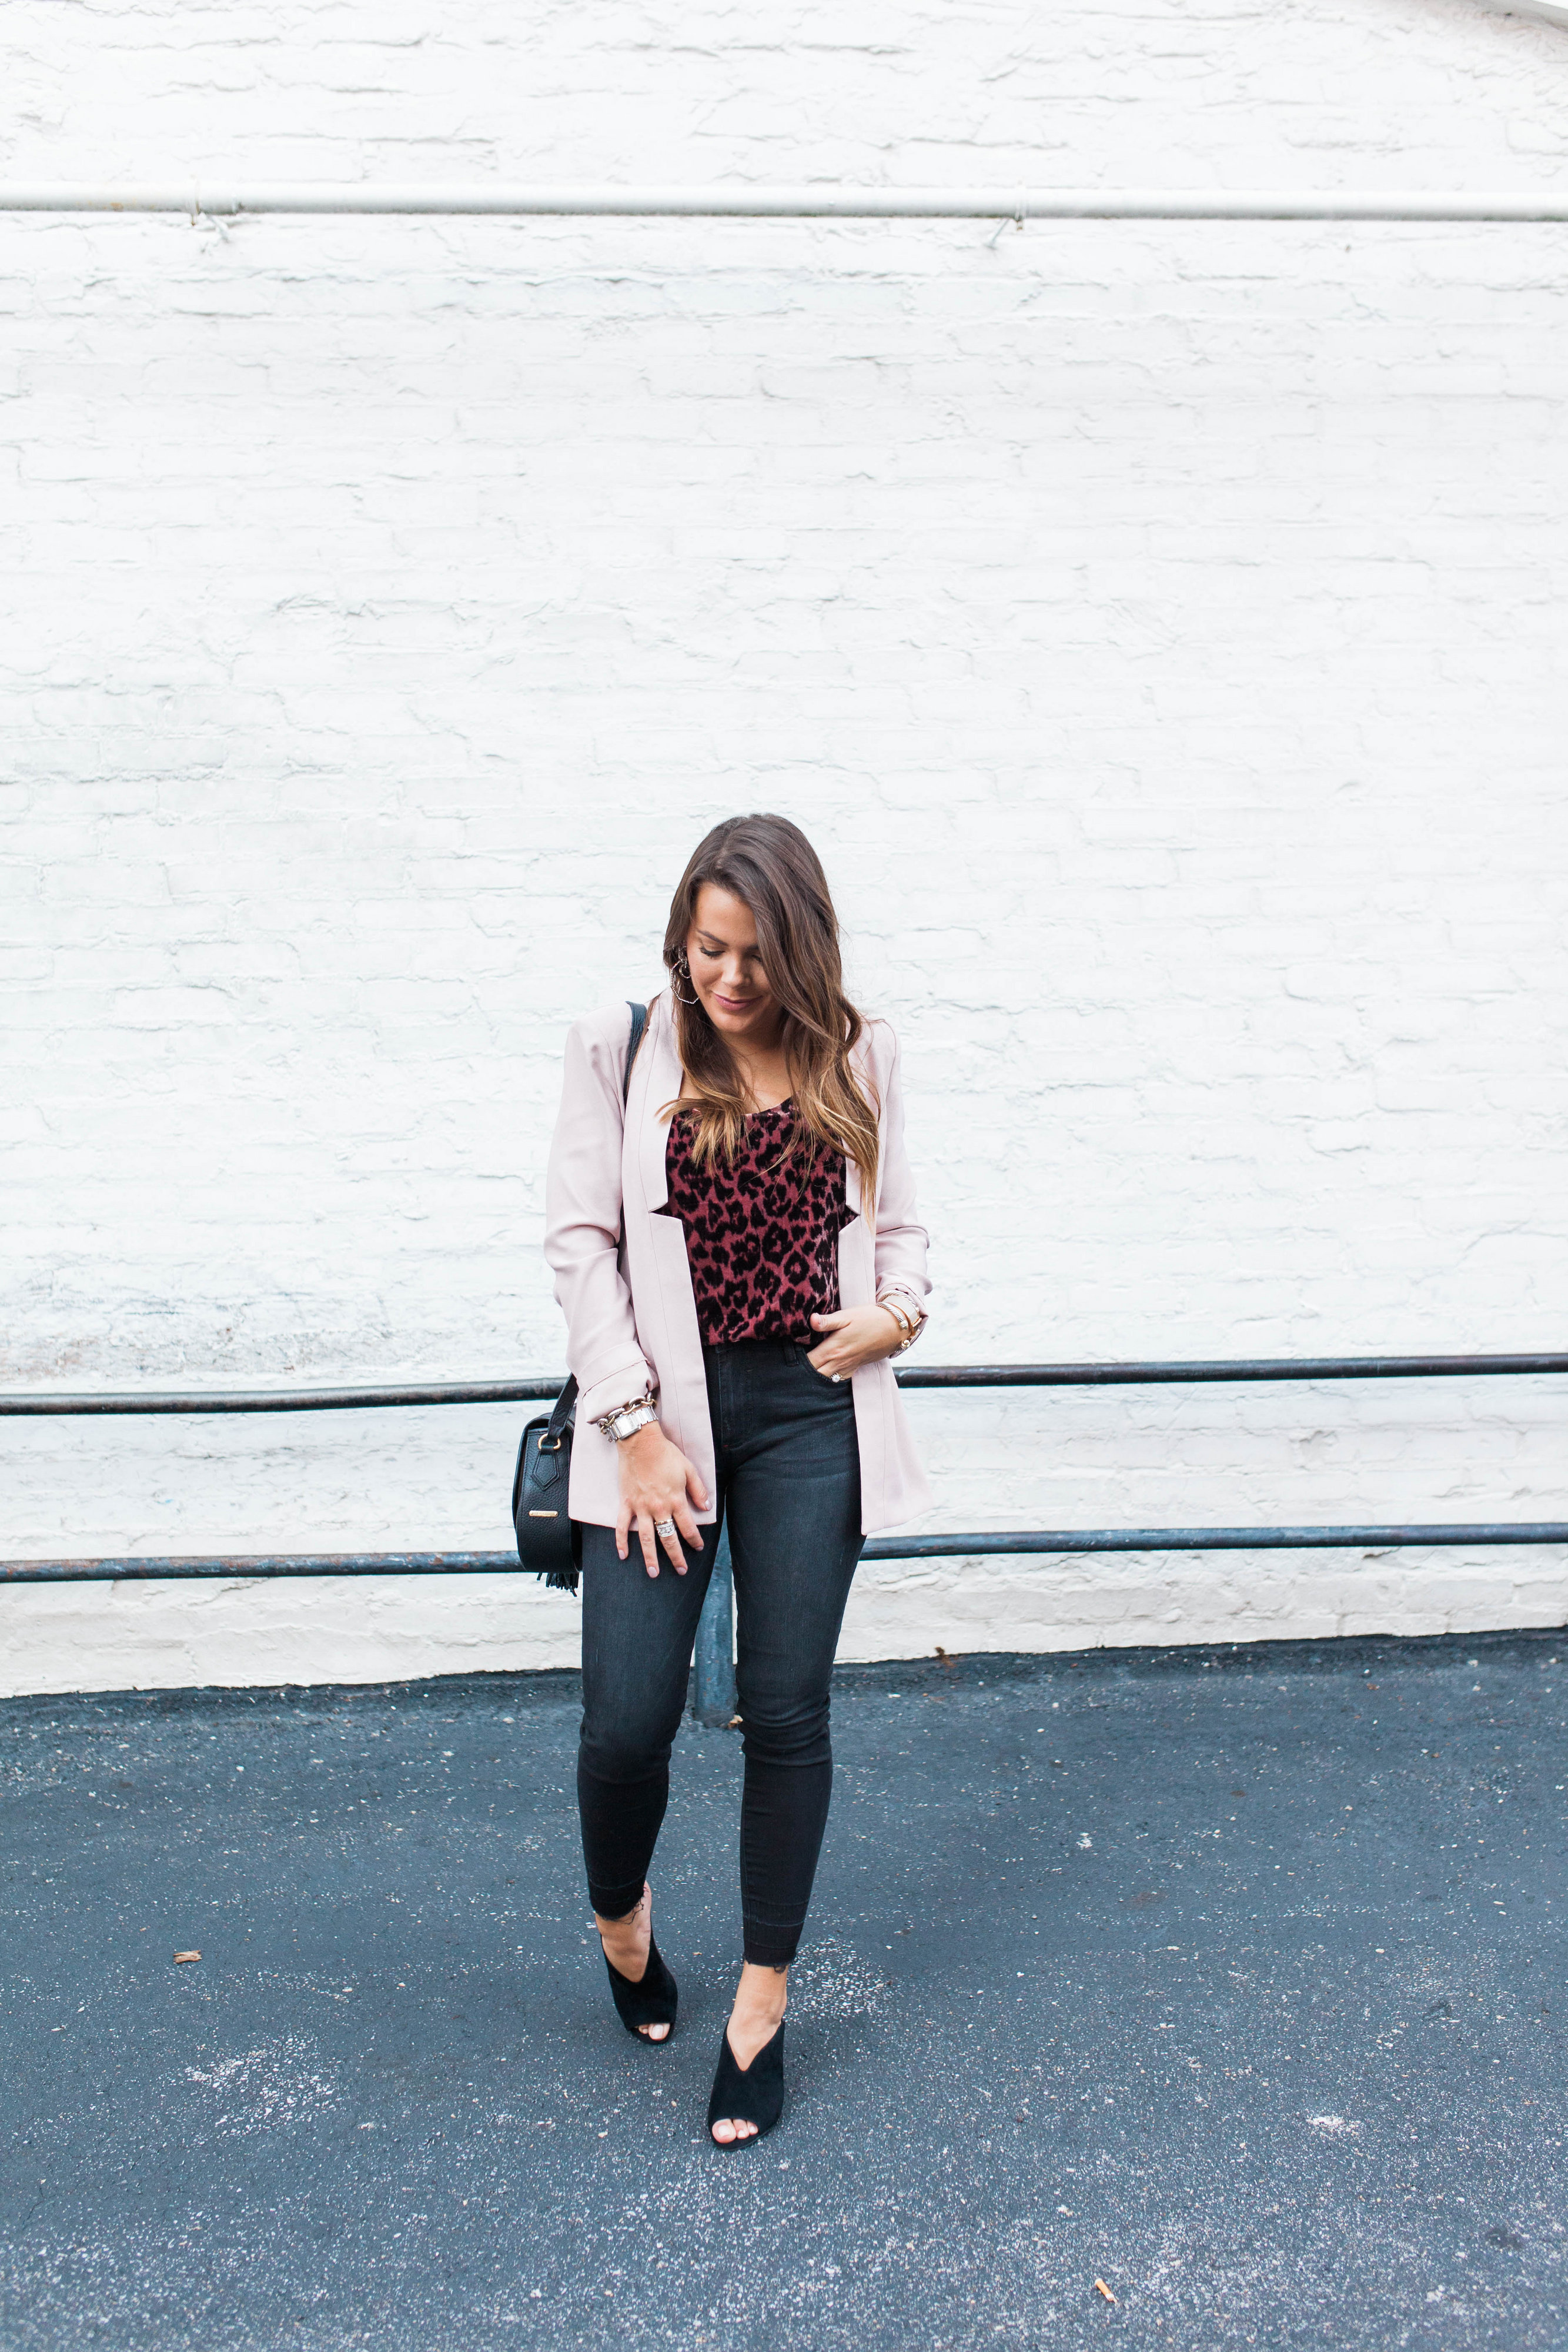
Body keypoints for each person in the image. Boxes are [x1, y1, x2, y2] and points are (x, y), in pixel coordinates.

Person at [544, 813, 931, 2147]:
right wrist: (633, 1425)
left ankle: (761, 2000)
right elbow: (578, 1242)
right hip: (659, 1415)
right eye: (709, 947)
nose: (729, 977)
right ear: (681, 936)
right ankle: (621, 1916)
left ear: (800, 950)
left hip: (808, 1411)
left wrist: (899, 1309)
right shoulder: (626, 1042)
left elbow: (903, 1225)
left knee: (785, 1709)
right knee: (626, 1717)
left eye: (757, 955)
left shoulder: (858, 1050)